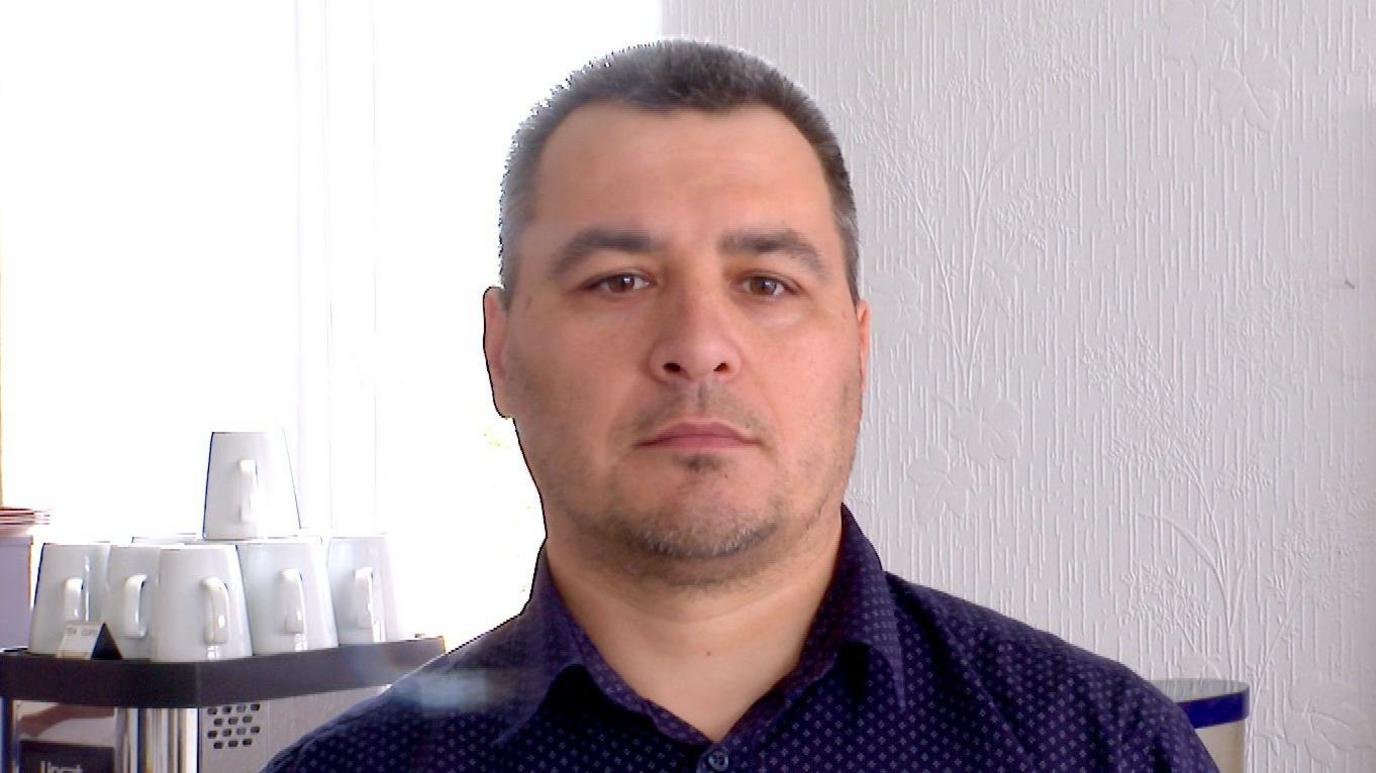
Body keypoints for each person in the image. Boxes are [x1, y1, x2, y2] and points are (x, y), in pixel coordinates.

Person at [265, 40, 1215, 772]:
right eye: (619, 279)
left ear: (857, 346)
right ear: (501, 352)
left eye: (764, 283)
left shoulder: (1104, 747)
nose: (698, 343)